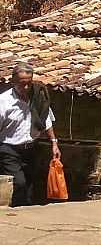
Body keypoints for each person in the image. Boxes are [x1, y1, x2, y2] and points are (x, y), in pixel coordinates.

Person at [0, 62, 60, 206]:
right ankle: (14, 209)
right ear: (13, 81)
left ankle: (24, 210)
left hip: (31, 148)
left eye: (29, 83)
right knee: (18, 182)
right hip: (9, 149)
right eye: (22, 84)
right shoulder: (4, 102)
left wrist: (54, 143)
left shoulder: (38, 96)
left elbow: (46, 119)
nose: (26, 87)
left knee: (30, 181)